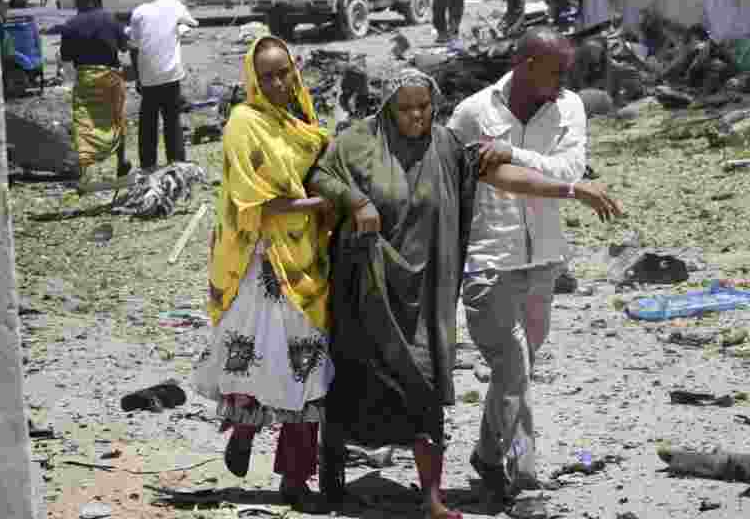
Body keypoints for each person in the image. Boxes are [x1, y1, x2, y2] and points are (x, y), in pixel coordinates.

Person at [308, 67, 621, 519]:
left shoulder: (447, 146)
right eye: (406, 108)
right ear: (386, 107)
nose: (416, 116)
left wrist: (572, 190)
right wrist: (357, 201)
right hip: (366, 287)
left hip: (428, 289)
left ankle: (431, 497)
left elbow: (507, 176)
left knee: (425, 379)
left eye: (424, 106)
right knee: (356, 375)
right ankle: (332, 479)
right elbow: (321, 175)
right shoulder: (358, 141)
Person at [446, 26, 586, 506]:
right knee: (515, 368)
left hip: (543, 258)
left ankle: (487, 456)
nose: (566, 80)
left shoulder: (570, 107)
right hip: (488, 260)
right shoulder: (472, 113)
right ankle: (523, 471)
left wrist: (513, 152)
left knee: (515, 375)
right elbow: (453, 180)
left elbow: (570, 171)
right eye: (558, 71)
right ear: (528, 66)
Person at [193, 35, 334, 513]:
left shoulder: (300, 122)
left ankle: (294, 479)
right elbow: (252, 198)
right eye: (268, 75)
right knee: (258, 353)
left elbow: (322, 167)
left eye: (284, 72)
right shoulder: (242, 123)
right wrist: (318, 203)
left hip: (305, 258)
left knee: (304, 364)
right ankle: (245, 428)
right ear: (253, 80)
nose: (278, 82)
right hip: (259, 261)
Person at [59, 0, 132, 185]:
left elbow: (66, 58)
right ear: (95, 0)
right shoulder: (109, 19)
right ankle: (121, 160)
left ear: (78, 3)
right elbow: (125, 45)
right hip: (110, 77)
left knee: (84, 121)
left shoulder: (70, 25)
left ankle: (86, 168)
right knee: (117, 118)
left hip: (85, 77)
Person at [129, 0, 198, 173]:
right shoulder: (175, 5)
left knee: (148, 121)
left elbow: (134, 47)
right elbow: (192, 24)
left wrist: (138, 77)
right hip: (171, 75)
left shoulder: (139, 12)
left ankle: (148, 164)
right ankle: (176, 163)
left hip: (148, 76)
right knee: (172, 119)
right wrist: (180, 26)